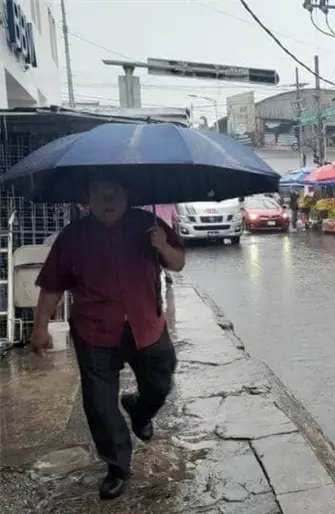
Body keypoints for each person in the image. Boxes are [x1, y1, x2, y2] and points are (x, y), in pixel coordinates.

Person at [31, 176, 186, 500]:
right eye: (99, 194)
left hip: (146, 325)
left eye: (115, 192)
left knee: (160, 381)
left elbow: (178, 262)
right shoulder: (72, 237)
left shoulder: (149, 224)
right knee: (100, 406)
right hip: (94, 331)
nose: (108, 200)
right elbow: (53, 285)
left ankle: (140, 411)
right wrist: (40, 327)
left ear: (127, 194)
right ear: (86, 198)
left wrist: (162, 246)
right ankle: (117, 466)